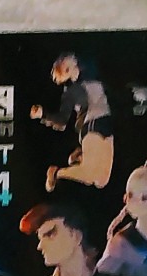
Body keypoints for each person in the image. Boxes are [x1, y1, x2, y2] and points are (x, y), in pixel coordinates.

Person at [30, 53, 114, 190]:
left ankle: (79, 158)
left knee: (101, 180)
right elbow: (62, 121)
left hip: (107, 121)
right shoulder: (70, 91)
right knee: (89, 175)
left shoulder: (90, 71)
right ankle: (57, 173)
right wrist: (43, 114)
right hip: (92, 123)